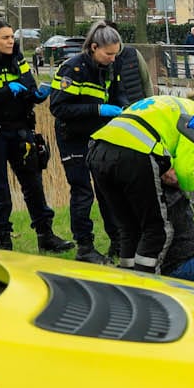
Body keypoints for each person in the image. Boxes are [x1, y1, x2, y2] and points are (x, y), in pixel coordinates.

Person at [0, 19, 73, 253]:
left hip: (19, 129)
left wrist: (38, 95)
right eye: (4, 37)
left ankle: (46, 235)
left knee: (33, 184)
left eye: (11, 36)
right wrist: (5, 91)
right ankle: (4, 243)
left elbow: (27, 86)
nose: (10, 41)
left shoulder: (16, 56)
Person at [86, 94, 194, 272]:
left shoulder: (165, 102)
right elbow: (184, 169)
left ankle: (128, 281)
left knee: (129, 228)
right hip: (134, 153)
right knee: (156, 229)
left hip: (98, 150)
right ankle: (147, 285)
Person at [49, 22, 130, 264]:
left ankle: (118, 241)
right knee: (83, 192)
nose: (112, 58)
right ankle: (85, 247)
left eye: (115, 53)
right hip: (73, 138)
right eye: (108, 54)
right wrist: (98, 109)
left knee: (108, 191)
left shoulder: (110, 66)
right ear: (93, 47)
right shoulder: (71, 70)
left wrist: (125, 108)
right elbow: (58, 107)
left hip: (100, 136)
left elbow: (118, 92)